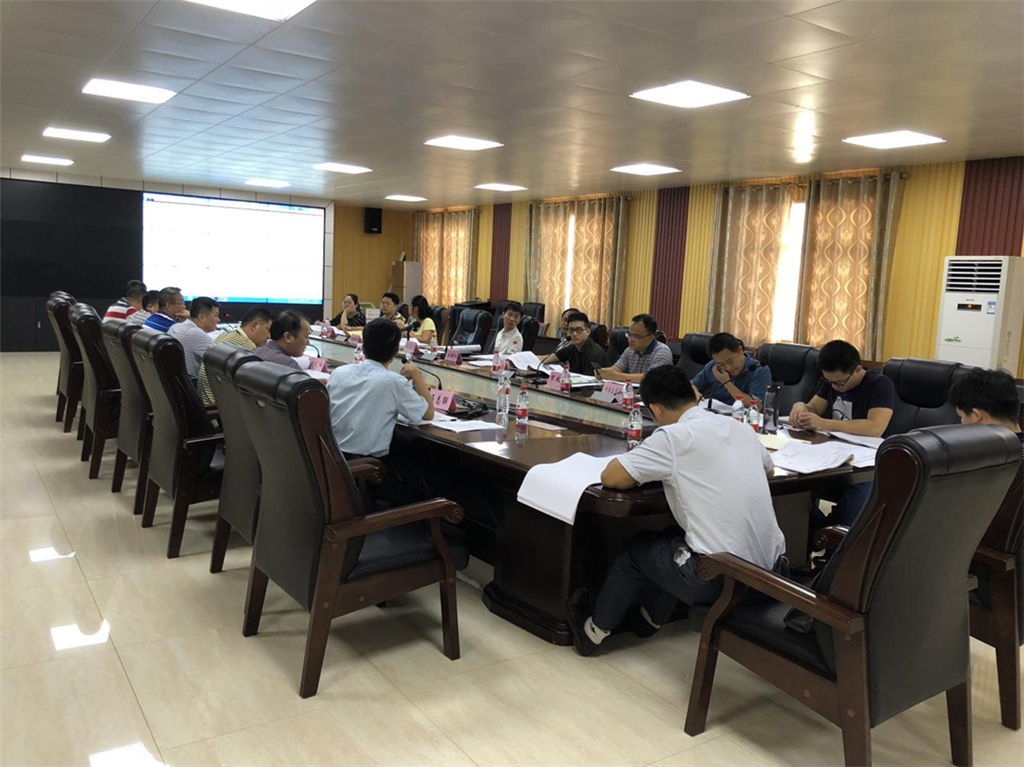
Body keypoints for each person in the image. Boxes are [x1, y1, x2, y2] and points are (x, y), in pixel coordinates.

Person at [566, 365, 784, 656]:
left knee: (637, 550)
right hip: (773, 571)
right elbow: (768, 471)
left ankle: (593, 632)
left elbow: (612, 477)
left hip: (719, 579)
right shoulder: (739, 428)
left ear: (655, 410)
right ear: (692, 394)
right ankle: (650, 619)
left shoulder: (672, 437)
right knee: (672, 537)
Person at [790, 339, 895, 530]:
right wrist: (801, 407)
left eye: (840, 382)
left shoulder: (879, 384)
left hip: (865, 465)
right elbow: (814, 407)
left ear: (857, 369)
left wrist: (824, 423)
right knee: (793, 494)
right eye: (830, 382)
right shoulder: (831, 382)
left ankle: (829, 540)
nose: (835, 387)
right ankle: (807, 538)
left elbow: (875, 427)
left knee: (849, 514)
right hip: (833, 457)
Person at [326, 318, 434, 458]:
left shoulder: (339, 373)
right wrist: (417, 376)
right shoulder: (393, 381)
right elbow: (428, 414)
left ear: (363, 348)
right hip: (366, 462)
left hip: (332, 457)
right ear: (396, 351)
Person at [197, 308, 273, 406]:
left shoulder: (225, 336)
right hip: (217, 410)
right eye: (267, 330)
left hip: (207, 405)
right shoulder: (246, 348)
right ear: (254, 325)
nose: (269, 336)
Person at [949, 367, 1023, 458]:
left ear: (976, 416)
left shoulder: (978, 458)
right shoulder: (1016, 452)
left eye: (961, 416)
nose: (961, 422)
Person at [690, 332, 771, 407]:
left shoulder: (759, 370)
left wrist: (726, 382)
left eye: (730, 361)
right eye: (721, 364)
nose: (728, 368)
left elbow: (757, 406)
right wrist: (695, 392)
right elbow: (692, 384)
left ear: (740, 350)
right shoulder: (713, 366)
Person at [597, 313, 673, 382]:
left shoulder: (662, 352)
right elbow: (616, 369)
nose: (631, 340)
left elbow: (650, 378)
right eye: (629, 335)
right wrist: (603, 372)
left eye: (636, 336)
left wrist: (616, 376)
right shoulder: (630, 350)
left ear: (650, 338)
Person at [168, 296, 220, 384]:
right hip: (192, 386)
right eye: (216, 315)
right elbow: (220, 361)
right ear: (202, 317)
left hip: (175, 384)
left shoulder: (175, 327)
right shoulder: (194, 333)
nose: (218, 320)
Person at [539, 311, 607, 374]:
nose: (574, 334)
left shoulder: (594, 353)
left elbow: (590, 380)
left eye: (579, 330)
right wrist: (533, 360)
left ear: (588, 331)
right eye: (571, 330)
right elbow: (550, 358)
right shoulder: (572, 347)